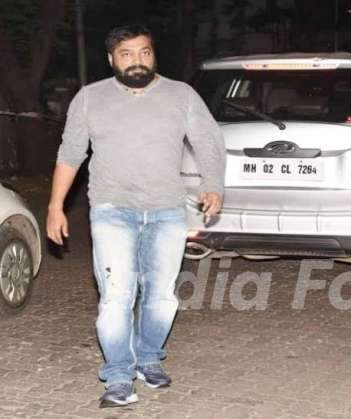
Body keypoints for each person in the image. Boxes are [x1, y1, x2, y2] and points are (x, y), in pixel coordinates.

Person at [46, 24, 226, 408]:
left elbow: (208, 141)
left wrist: (214, 184)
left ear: (153, 54)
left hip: (167, 210)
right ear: (111, 59)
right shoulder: (90, 98)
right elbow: (71, 153)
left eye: (144, 52)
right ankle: (118, 376)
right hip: (112, 210)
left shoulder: (181, 95)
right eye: (126, 54)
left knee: (161, 298)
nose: (137, 60)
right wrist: (55, 206)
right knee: (115, 297)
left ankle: (147, 358)